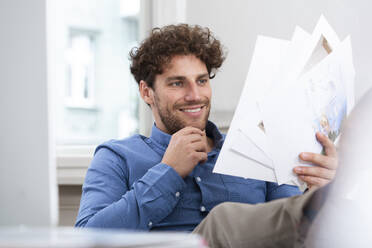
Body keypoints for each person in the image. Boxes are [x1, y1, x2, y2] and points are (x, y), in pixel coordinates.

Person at [75, 24, 337, 231]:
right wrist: (168, 173)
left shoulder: (258, 149)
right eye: (177, 83)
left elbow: (291, 230)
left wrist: (318, 196)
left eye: (201, 81)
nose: (194, 95)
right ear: (147, 92)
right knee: (224, 219)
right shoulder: (116, 157)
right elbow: (88, 239)